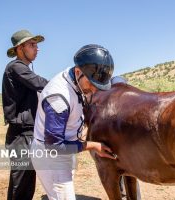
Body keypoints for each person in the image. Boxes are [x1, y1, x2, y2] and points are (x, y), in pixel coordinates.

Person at [31, 44, 116, 200]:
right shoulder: (58, 97)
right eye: (92, 84)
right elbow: (54, 146)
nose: (94, 90)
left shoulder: (76, 80)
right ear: (78, 72)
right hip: (51, 157)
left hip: (65, 149)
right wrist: (92, 145)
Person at [2, 29, 48, 200]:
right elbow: (41, 83)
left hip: (27, 132)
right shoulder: (16, 67)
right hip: (21, 135)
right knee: (20, 183)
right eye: (32, 44)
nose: (37, 48)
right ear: (20, 48)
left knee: (28, 182)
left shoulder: (22, 69)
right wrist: (62, 85)